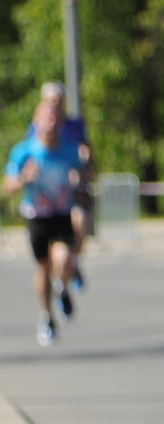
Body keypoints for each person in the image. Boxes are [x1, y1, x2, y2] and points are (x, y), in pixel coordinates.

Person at [7, 94, 83, 347]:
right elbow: (7, 186)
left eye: (55, 119)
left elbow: (87, 174)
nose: (50, 123)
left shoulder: (70, 150)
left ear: (60, 123)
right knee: (43, 268)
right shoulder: (25, 151)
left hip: (61, 214)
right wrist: (23, 179)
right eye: (46, 118)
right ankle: (46, 316)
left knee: (64, 259)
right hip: (37, 216)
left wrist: (80, 178)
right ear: (36, 121)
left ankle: (63, 287)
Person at [29, 84, 91, 299]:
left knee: (80, 220)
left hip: (70, 192)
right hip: (45, 200)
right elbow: (30, 154)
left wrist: (82, 165)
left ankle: (73, 261)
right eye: (51, 100)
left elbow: (86, 153)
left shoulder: (75, 125)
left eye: (59, 99)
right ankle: (61, 280)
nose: (55, 104)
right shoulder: (38, 124)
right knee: (45, 263)